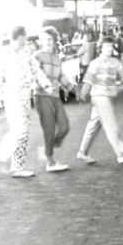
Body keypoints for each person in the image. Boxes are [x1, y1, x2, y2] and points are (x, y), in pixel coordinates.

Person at [0, 26, 53, 177]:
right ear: (19, 36)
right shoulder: (4, 53)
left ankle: (18, 166)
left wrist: (46, 84)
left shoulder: (27, 52)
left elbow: (36, 69)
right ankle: (2, 153)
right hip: (11, 95)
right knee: (20, 129)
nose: (27, 39)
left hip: (26, 94)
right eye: (25, 36)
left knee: (24, 132)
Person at [76, 37, 123, 164]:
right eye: (106, 46)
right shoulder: (95, 63)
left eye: (111, 46)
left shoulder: (116, 63)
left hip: (106, 96)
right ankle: (122, 154)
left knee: (93, 126)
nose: (109, 49)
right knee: (111, 125)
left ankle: (83, 152)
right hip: (99, 96)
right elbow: (88, 81)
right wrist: (83, 94)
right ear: (100, 48)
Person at [33, 26, 76, 172]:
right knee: (49, 129)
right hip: (42, 95)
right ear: (40, 41)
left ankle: (47, 148)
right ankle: (50, 162)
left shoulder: (57, 58)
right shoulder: (37, 56)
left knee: (64, 126)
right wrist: (45, 87)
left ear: (54, 40)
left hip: (56, 96)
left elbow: (61, 76)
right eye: (44, 39)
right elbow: (36, 75)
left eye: (50, 39)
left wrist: (73, 90)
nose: (47, 41)